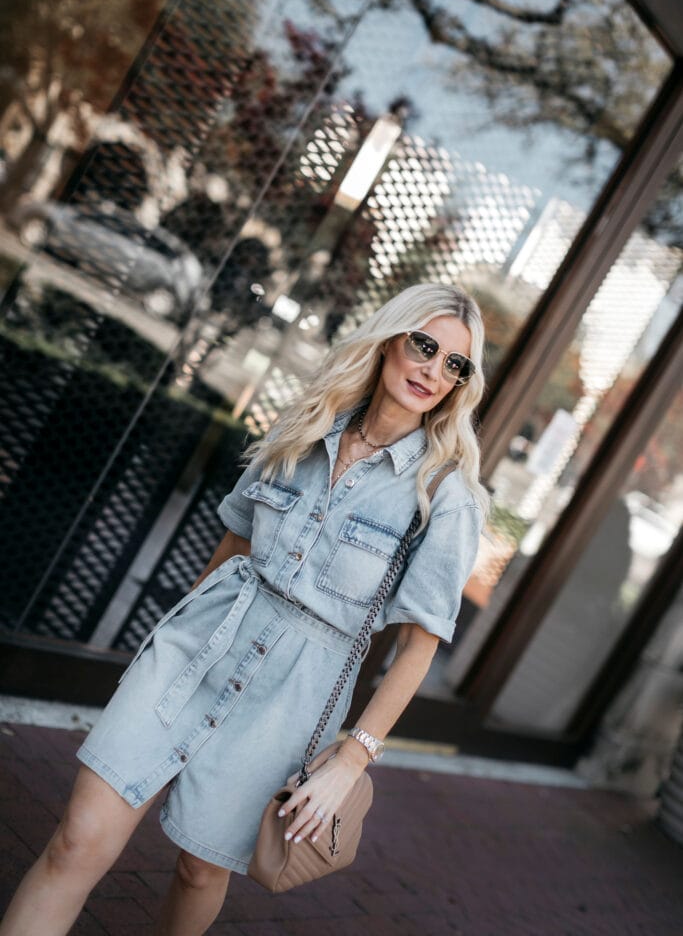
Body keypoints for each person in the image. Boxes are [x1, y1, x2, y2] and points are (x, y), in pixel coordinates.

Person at [0, 282, 488, 936]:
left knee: (200, 871)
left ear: (462, 383)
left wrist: (351, 759)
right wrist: (172, 636)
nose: (433, 371)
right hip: (198, 649)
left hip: (292, 699)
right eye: (424, 346)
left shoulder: (443, 496)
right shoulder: (306, 426)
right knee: (76, 842)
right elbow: (234, 544)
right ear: (389, 341)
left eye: (454, 364)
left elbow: (418, 646)